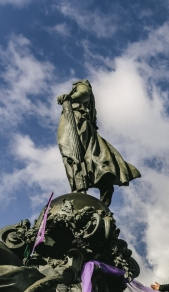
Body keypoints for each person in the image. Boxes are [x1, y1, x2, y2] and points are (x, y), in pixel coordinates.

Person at [57, 79, 141, 207]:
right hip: (73, 118)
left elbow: (84, 93)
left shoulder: (82, 86)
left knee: (71, 153)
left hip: (76, 119)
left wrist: (70, 97)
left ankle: (81, 190)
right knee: (75, 156)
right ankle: (85, 188)